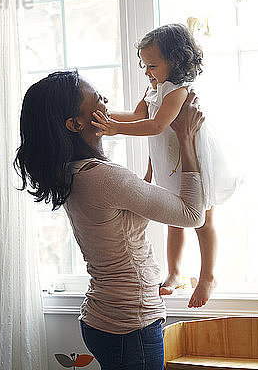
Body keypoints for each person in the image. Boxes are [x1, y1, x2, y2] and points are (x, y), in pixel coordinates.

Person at [14, 70, 205, 370]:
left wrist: (156, 162)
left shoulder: (74, 172)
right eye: (98, 98)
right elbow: (192, 214)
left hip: (103, 320)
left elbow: (126, 216)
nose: (106, 101)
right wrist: (186, 137)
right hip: (130, 325)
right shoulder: (104, 178)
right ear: (75, 124)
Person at [91, 23, 242, 308]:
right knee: (175, 218)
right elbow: (137, 115)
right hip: (167, 164)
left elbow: (158, 125)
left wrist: (114, 130)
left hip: (192, 162)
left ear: (174, 63)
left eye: (152, 65)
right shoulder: (155, 88)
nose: (147, 72)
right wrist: (102, 114)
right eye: (144, 65)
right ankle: (174, 272)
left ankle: (208, 275)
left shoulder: (176, 91)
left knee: (203, 220)